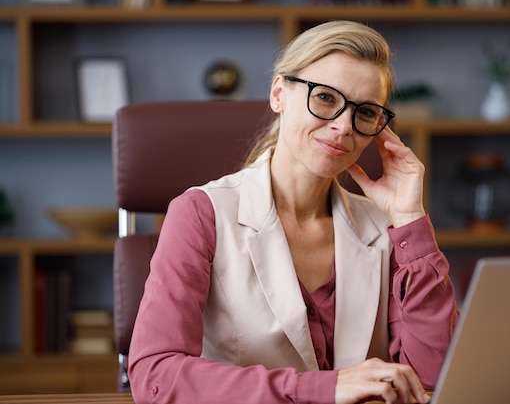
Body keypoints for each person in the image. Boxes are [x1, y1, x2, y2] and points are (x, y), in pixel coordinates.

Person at [128, 20, 459, 404]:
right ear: (278, 93)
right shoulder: (202, 214)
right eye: (325, 98)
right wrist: (324, 388)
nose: (342, 127)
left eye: (364, 112)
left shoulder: (386, 227)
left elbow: (432, 383)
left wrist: (410, 219)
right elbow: (155, 376)